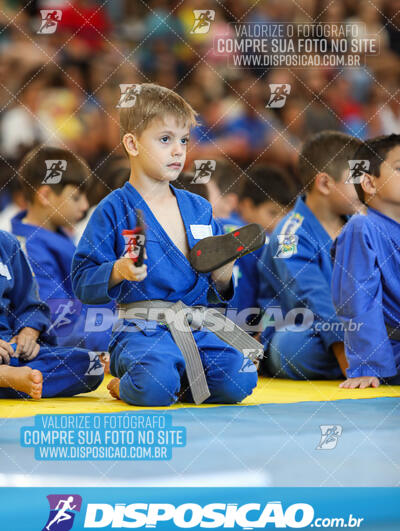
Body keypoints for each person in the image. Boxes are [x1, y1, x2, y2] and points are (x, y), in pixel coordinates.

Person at [72, 83, 261, 407]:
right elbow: (82, 280)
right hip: (141, 330)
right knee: (154, 383)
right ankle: (128, 383)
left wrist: (224, 273)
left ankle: (179, 382)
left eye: (184, 140)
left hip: (196, 325)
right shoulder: (114, 209)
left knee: (238, 377)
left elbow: (215, 288)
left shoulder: (198, 208)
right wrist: (117, 270)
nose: (178, 151)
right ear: (131, 143)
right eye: (165, 139)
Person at [257, 131, 362, 379]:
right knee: (291, 348)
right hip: (305, 325)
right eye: (357, 178)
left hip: (358, 327)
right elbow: (311, 296)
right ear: (325, 183)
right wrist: (349, 359)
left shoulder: (360, 225)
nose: (366, 185)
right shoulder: (289, 233)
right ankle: (375, 360)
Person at [11, 145, 114, 352]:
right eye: (76, 197)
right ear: (46, 195)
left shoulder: (60, 238)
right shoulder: (29, 250)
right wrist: (118, 331)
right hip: (73, 349)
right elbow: (59, 323)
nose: (85, 206)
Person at [0, 231, 103, 399]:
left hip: (10, 351)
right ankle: (6, 379)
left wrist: (28, 332)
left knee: (90, 365)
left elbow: (30, 304)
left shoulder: (7, 244)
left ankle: (14, 377)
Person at [332, 134, 400, 388]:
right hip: (390, 352)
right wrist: (368, 364)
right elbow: (357, 299)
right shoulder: (362, 229)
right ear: (370, 183)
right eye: (399, 168)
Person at [218, 164, 296, 330]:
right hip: (241, 330)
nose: (280, 223)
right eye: (273, 213)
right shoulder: (270, 241)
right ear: (246, 206)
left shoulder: (217, 224)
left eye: (286, 215)